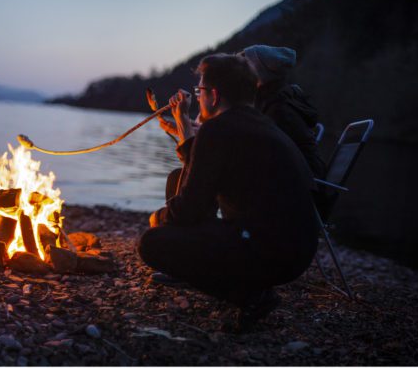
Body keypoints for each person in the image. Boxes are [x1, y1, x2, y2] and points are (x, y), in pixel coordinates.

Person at [138, 53, 319, 332]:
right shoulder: (260, 124)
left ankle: (251, 295)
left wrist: (159, 217)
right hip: (298, 249)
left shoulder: (219, 129)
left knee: (152, 242)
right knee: (177, 200)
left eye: (199, 91)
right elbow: (200, 184)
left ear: (214, 95)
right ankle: (238, 281)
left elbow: (188, 211)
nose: (197, 97)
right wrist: (185, 125)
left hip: (270, 252)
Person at [238, 45, 325, 179]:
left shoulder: (279, 109)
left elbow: (263, 154)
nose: (240, 74)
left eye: (245, 68)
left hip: (302, 187)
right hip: (304, 179)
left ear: (260, 74)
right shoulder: (276, 100)